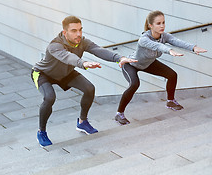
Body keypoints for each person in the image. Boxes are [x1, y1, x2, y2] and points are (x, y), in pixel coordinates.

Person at [31, 15, 137, 147]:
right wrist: (84, 63)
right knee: (49, 97)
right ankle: (41, 131)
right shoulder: (54, 46)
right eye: (74, 31)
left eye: (80, 30)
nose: (79, 34)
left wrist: (119, 58)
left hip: (65, 73)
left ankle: (82, 122)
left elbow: (98, 50)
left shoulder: (82, 42)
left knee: (89, 88)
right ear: (65, 32)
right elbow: (68, 57)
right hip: (44, 74)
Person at [115, 10, 207, 125]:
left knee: (172, 75)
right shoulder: (144, 39)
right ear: (150, 25)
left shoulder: (165, 36)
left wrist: (193, 48)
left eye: (163, 22)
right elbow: (157, 46)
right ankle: (119, 114)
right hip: (132, 64)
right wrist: (169, 50)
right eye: (158, 23)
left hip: (148, 63)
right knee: (134, 84)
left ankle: (170, 101)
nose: (162, 26)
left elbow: (177, 41)